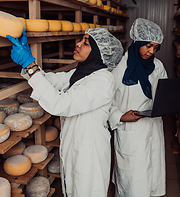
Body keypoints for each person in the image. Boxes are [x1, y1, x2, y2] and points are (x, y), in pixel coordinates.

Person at [7, 28, 123, 197]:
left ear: (99, 53)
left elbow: (60, 104)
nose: (78, 44)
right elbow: (50, 81)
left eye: (86, 42)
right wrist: (30, 65)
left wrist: (30, 65)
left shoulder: (102, 80)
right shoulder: (80, 73)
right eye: (81, 40)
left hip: (89, 152)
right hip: (76, 146)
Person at [108, 18, 167, 197]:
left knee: (150, 177)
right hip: (129, 132)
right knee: (131, 184)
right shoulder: (118, 67)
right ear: (138, 41)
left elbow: (164, 94)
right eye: (148, 46)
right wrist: (119, 116)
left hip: (152, 128)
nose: (151, 51)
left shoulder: (158, 66)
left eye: (155, 47)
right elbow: (104, 101)